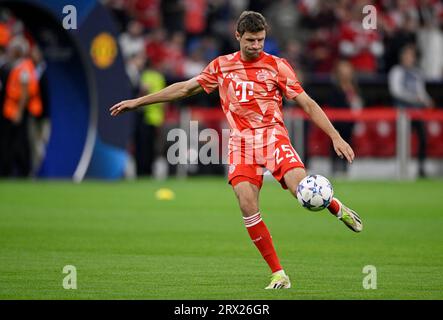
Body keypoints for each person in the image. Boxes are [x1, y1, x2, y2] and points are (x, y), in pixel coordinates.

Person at [110, 11, 363, 289]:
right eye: (251, 40)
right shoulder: (221, 66)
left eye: (261, 40)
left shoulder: (277, 66)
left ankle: (335, 206)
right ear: (238, 36)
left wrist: (335, 136)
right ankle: (279, 273)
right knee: (246, 203)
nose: (256, 46)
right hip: (241, 145)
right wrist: (138, 102)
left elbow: (308, 104)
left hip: (273, 138)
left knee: (300, 190)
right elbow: (184, 89)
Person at [388, 44, 434, 178]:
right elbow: (396, 91)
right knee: (402, 142)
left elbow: (421, 91)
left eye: (411, 56)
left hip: (416, 112)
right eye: (406, 55)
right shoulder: (396, 71)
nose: (409, 58)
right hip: (402, 113)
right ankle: (400, 169)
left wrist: (427, 100)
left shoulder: (417, 72)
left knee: (423, 139)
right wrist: (415, 98)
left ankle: (421, 168)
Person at [328, 60, 363, 176]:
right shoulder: (335, 88)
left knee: (349, 143)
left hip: (350, 123)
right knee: (335, 145)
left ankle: (346, 167)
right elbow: (332, 106)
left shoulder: (355, 88)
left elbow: (358, 104)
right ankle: (335, 168)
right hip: (337, 123)